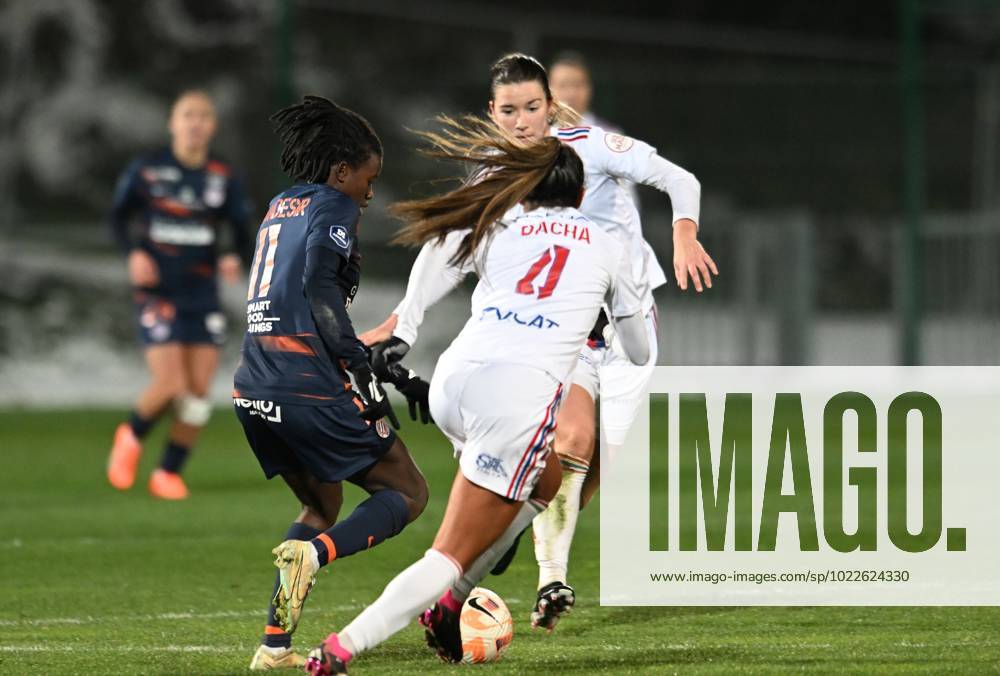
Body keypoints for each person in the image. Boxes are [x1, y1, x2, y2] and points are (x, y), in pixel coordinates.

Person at [359, 53, 716, 637]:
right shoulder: (491, 176)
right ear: (492, 113)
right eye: (509, 110)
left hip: (628, 324)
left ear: (550, 107)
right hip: (565, 334)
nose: (522, 121)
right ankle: (548, 574)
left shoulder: (591, 145)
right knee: (569, 442)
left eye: (532, 107)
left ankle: (513, 522)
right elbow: (448, 255)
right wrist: (406, 321)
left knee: (596, 466)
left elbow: (681, 179)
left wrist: (683, 234)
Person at [304, 114, 650, 676]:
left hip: (453, 380)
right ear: (582, 193)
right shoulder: (608, 246)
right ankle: (343, 649)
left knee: (547, 480)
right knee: (447, 554)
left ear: (528, 188)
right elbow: (635, 350)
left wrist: (406, 327)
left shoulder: (502, 221)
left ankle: (459, 580)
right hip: (514, 400)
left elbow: (439, 253)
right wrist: (601, 321)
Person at [231, 95, 431, 671]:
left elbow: (294, 302)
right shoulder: (335, 207)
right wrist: (353, 356)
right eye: (368, 180)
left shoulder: (281, 206)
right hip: (306, 385)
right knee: (409, 492)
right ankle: (316, 556)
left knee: (321, 501)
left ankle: (274, 648)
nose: (371, 192)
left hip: (254, 384)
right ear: (342, 172)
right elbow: (319, 291)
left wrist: (363, 351)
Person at [106, 89, 252, 500]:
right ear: (173, 123)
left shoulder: (223, 175)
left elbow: (241, 232)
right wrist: (134, 252)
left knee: (199, 395)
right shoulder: (147, 170)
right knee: (171, 384)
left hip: (201, 294)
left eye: (203, 116)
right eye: (187, 115)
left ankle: (167, 472)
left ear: (212, 126)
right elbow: (118, 217)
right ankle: (131, 434)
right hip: (158, 292)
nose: (195, 123)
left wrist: (230, 257)